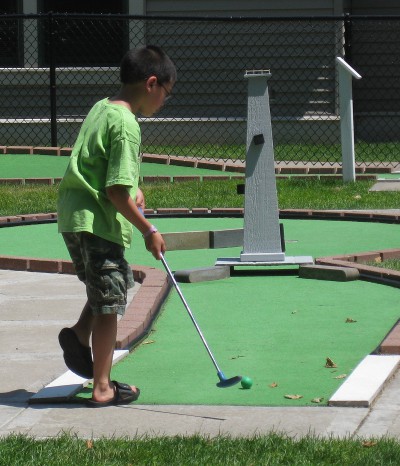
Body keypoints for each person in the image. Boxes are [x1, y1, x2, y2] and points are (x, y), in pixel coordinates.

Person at [57, 45, 176, 407]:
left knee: (111, 283)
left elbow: (101, 164)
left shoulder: (103, 107)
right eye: (166, 94)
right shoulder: (127, 125)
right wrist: (148, 230)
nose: (164, 102)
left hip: (75, 218)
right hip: (98, 221)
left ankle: (79, 336)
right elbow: (114, 192)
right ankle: (103, 387)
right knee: (109, 304)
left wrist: (133, 185)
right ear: (151, 83)